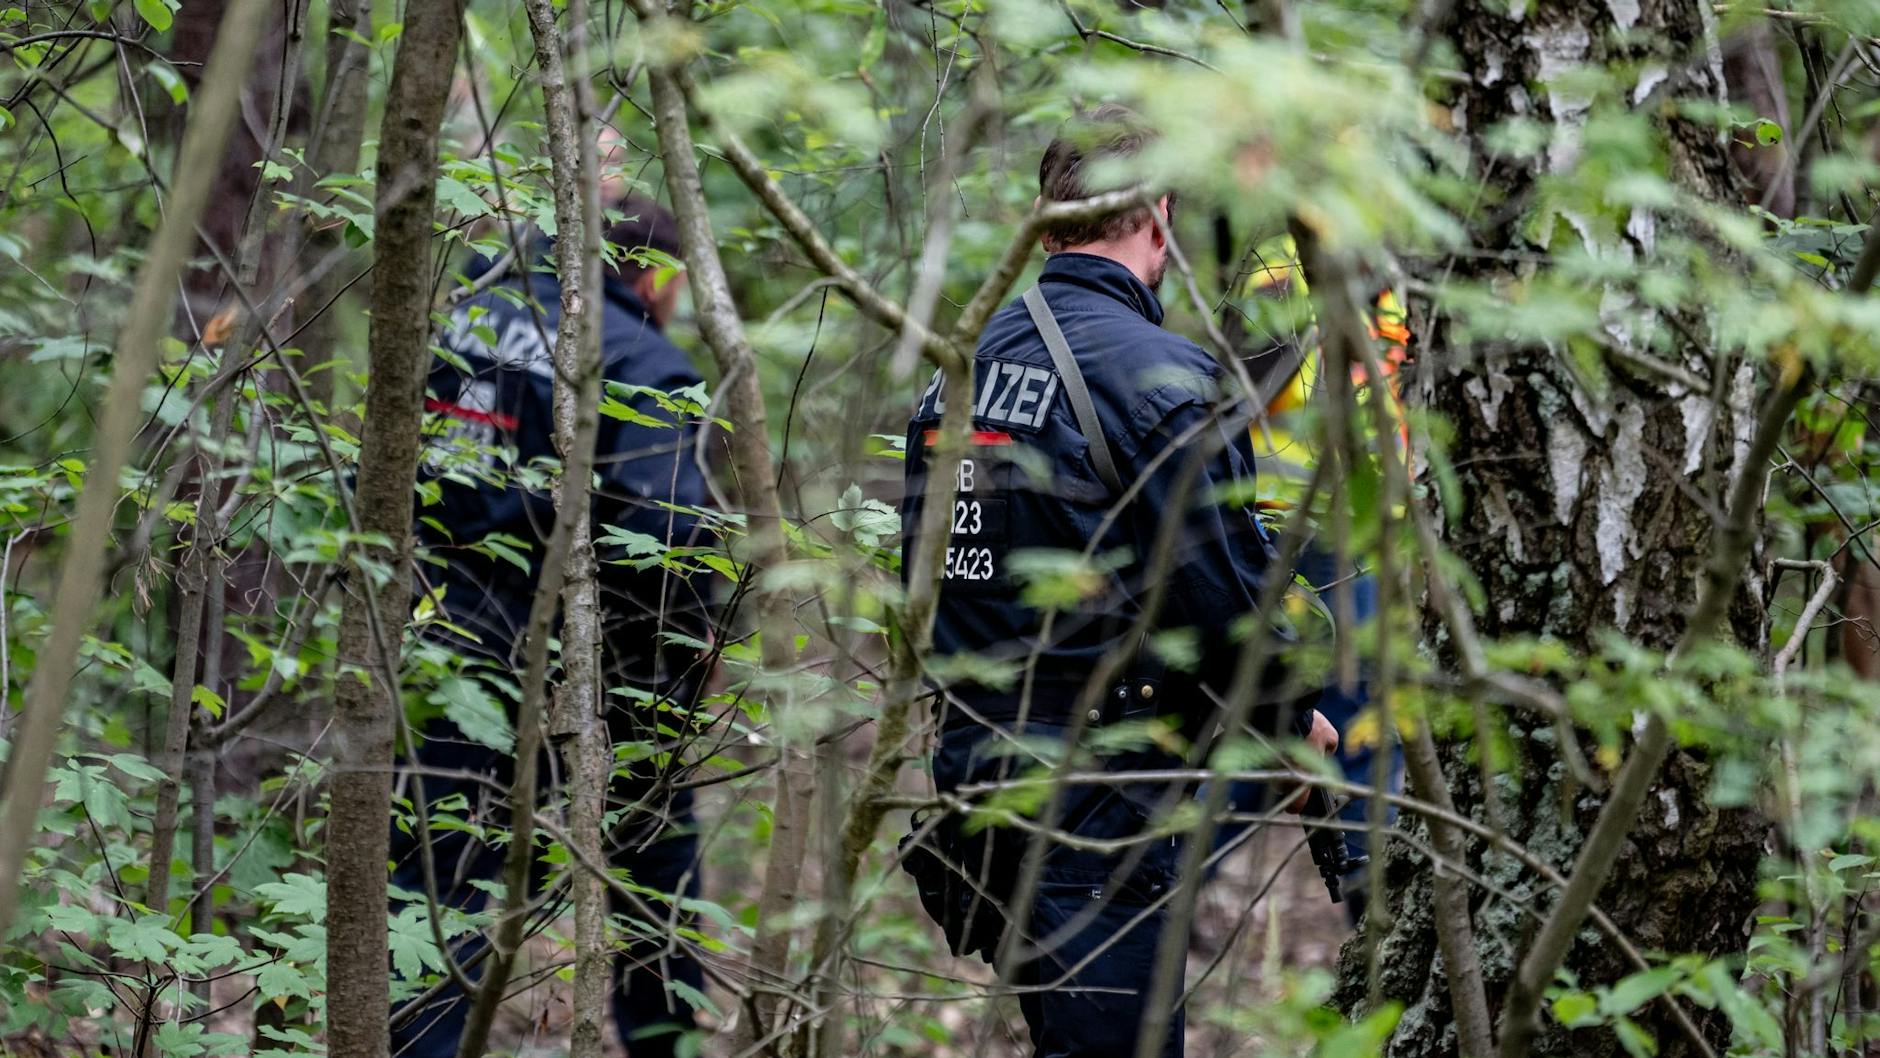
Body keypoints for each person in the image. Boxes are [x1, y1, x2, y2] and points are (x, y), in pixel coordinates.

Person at [898, 105, 1337, 1058]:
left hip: (977, 779)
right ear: (1160, 214)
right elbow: (1228, 609)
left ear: (1051, 215)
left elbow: (927, 584)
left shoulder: (956, 370)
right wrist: (1292, 718)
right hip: (1097, 799)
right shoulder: (1162, 378)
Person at [390, 194, 713, 1058]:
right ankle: (662, 1046)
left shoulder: (464, 312)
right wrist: (665, 689)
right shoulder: (643, 361)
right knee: (654, 887)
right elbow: (669, 538)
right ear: (657, 276)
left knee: (431, 893)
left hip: (436, 638)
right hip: (588, 665)